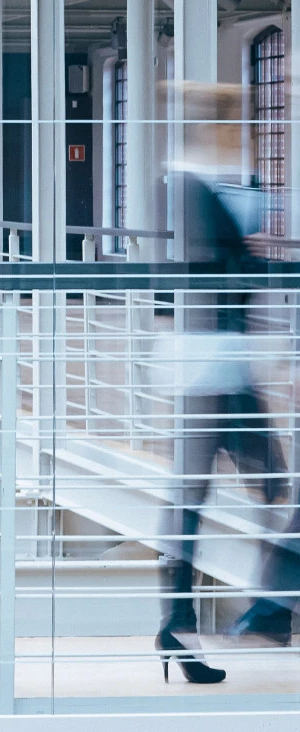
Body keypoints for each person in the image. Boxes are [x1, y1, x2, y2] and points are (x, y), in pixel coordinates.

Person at [153, 81, 288, 684]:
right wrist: (259, 256)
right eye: (231, 118)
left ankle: (204, 621)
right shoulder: (186, 182)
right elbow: (212, 266)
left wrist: (253, 254)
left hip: (219, 358)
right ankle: (253, 611)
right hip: (211, 360)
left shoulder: (204, 179)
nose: (240, 130)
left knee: (211, 493)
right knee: (210, 494)